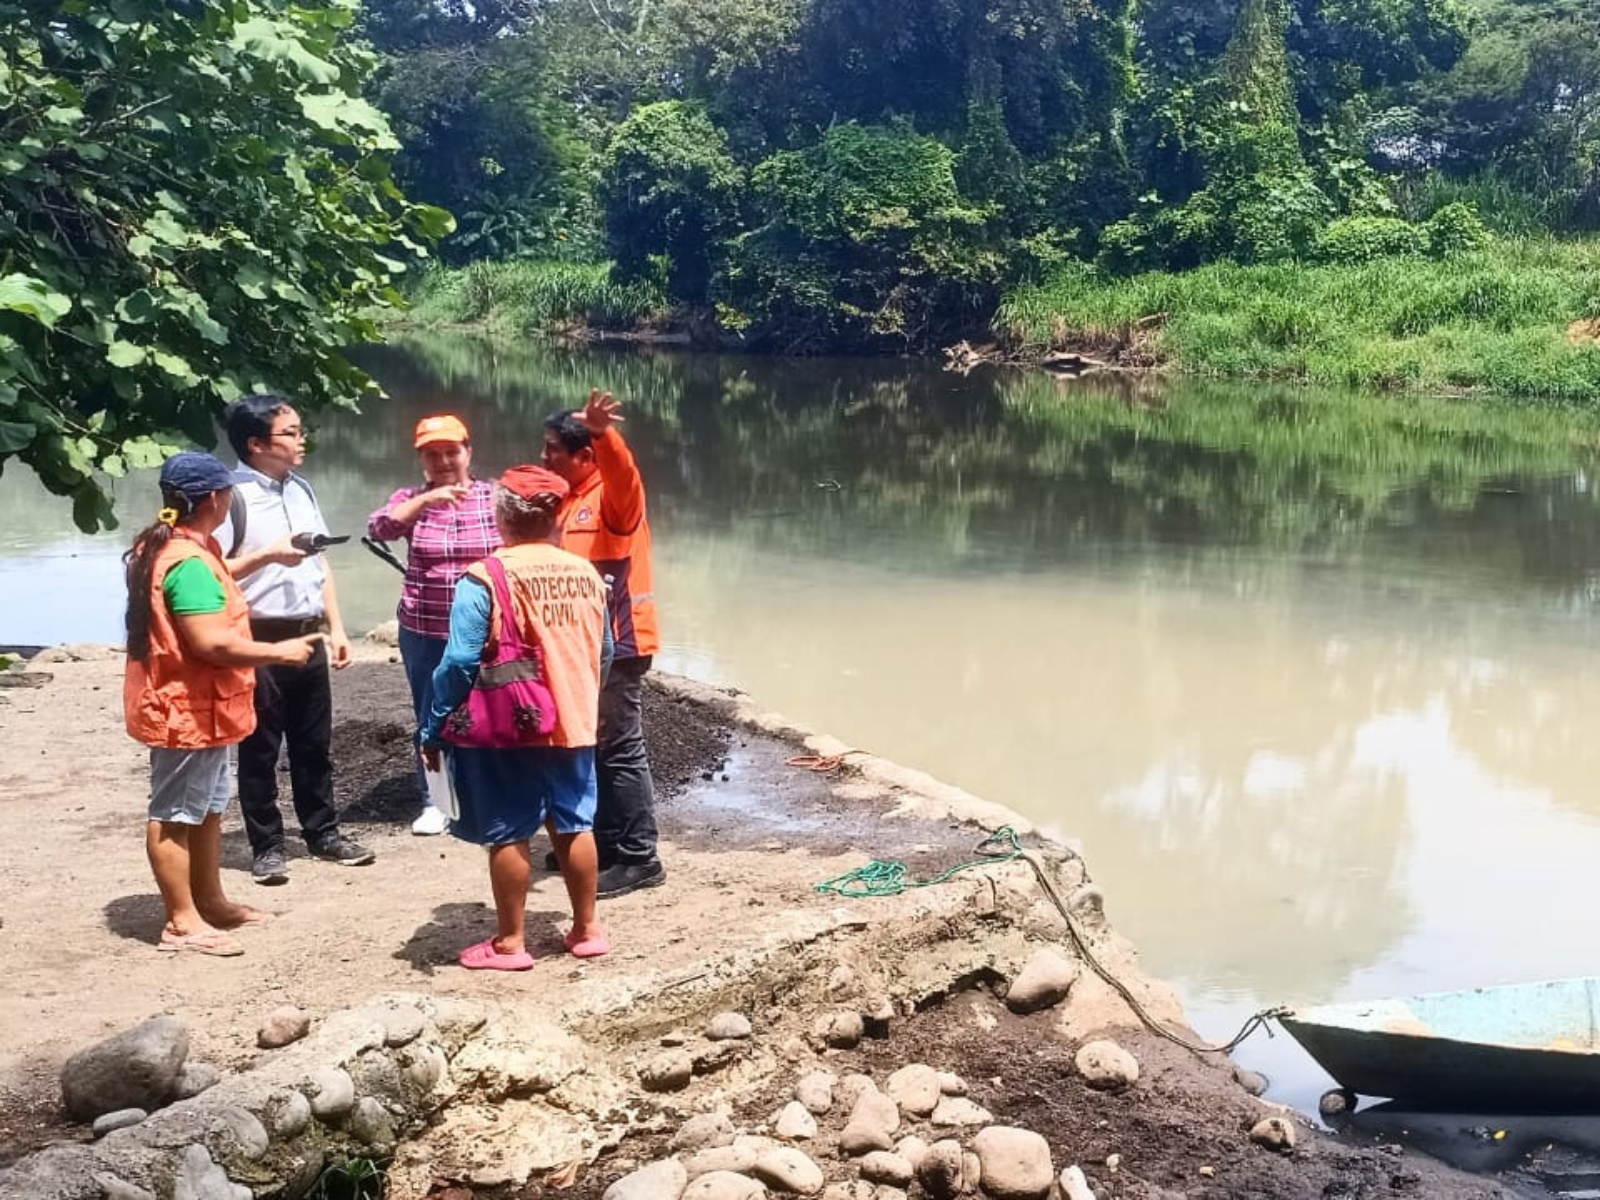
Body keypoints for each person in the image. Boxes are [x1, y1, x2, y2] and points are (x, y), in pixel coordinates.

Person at [124, 453, 325, 955]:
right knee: (174, 814)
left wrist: (266, 557)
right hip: (184, 706)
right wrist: (278, 650)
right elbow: (210, 643)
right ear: (215, 499)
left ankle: (210, 901)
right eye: (229, 492)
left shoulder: (178, 545)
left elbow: (215, 577)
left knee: (208, 808)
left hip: (205, 706)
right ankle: (181, 922)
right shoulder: (186, 562)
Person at [419, 466, 611, 969]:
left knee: (508, 828)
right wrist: (585, 696)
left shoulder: (485, 576)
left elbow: (459, 660)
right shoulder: (586, 573)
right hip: (574, 718)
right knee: (574, 821)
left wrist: (435, 720)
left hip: (509, 724)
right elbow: (606, 651)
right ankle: (587, 930)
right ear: (557, 515)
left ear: (501, 515)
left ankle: (510, 943)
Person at [221, 394, 374, 884]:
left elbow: (318, 559)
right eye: (290, 433)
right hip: (258, 637)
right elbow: (212, 569)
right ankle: (266, 845)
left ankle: (323, 833)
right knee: (259, 746)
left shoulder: (301, 488)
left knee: (313, 742)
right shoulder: (232, 497)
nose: (301, 440)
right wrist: (266, 556)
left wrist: (337, 627)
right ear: (255, 443)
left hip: (308, 635)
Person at [541, 389, 664, 899]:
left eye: (553, 449)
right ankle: (609, 843)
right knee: (595, 745)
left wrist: (603, 432)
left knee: (619, 749)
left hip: (622, 643)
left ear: (585, 456)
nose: (544, 457)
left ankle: (640, 857)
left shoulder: (613, 498)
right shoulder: (569, 500)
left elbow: (625, 474)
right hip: (587, 646)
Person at [368, 414, 501, 835]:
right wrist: (428, 500)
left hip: (489, 630)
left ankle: (490, 795)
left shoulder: (495, 496)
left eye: (451, 451)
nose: (443, 460)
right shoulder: (410, 499)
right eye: (432, 454)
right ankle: (436, 801)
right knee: (431, 714)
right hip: (425, 628)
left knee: (494, 710)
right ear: (422, 460)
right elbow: (380, 528)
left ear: (469, 453)